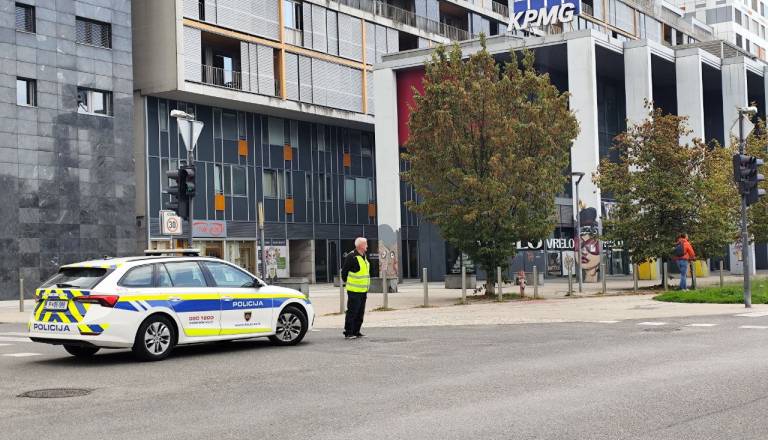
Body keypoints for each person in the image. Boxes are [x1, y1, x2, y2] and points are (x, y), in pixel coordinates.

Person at [342, 237, 370, 339]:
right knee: (352, 312)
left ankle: (356, 331)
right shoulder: (351, 256)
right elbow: (344, 272)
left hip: (363, 290)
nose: (367, 246)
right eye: (366, 244)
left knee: (360, 312)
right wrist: (348, 283)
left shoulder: (364, 256)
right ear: (361, 246)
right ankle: (348, 332)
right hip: (354, 291)